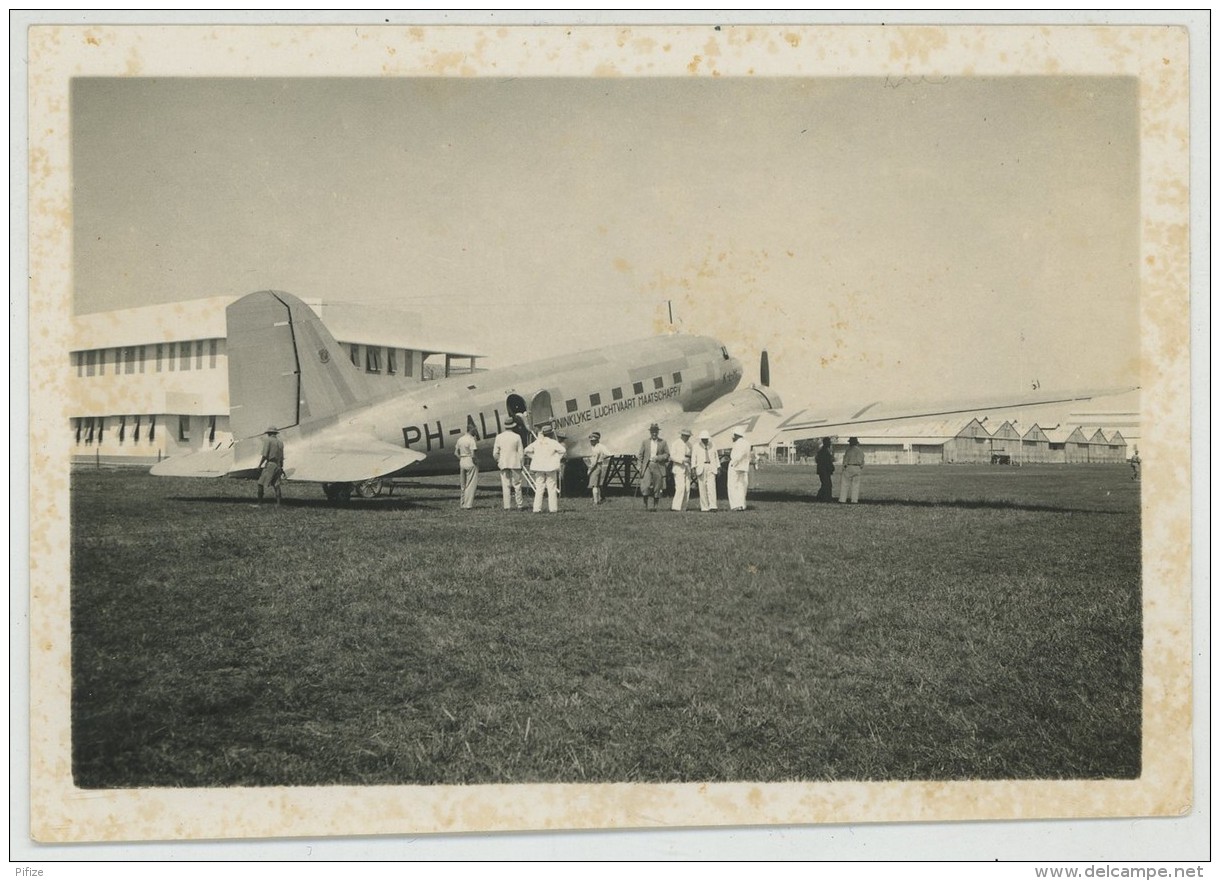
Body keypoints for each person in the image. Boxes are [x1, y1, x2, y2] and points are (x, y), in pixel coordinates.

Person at [524, 423, 566, 514]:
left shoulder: (537, 442)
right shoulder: (553, 442)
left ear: (543, 433)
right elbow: (563, 450)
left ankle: (536, 509)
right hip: (550, 467)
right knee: (552, 488)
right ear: (551, 433)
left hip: (539, 467)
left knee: (539, 488)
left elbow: (526, 450)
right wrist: (556, 458)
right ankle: (553, 509)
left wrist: (534, 457)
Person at [493, 417, 526, 510]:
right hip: (515, 463)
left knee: (506, 485)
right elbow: (521, 452)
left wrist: (499, 461)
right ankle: (519, 505)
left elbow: (495, 453)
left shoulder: (499, 437)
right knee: (517, 485)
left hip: (504, 463)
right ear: (513, 426)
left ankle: (507, 506)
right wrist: (521, 463)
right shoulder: (517, 437)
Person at [636, 422, 670, 511]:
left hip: (658, 466)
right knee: (645, 485)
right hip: (647, 465)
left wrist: (658, 458)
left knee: (657, 486)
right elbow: (640, 455)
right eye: (652, 431)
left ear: (658, 432)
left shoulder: (663, 442)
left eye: (655, 431)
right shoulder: (645, 442)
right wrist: (639, 465)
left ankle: (655, 506)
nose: (654, 433)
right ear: (650, 432)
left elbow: (667, 454)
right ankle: (645, 505)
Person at [256, 425, 285, 505]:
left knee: (260, 483)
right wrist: (281, 467)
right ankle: (278, 504)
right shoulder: (280, 442)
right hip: (278, 465)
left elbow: (265, 455)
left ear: (269, 433)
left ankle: (259, 503)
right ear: (275, 433)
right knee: (276, 484)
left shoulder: (268, 440)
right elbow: (282, 457)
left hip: (270, 464)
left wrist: (259, 465)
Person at [693, 430, 720, 512]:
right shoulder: (696, 446)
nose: (705, 440)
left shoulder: (713, 445)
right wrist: (693, 468)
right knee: (702, 487)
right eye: (703, 439)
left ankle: (713, 506)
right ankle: (704, 507)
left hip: (711, 466)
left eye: (706, 439)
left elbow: (716, 456)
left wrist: (718, 467)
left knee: (712, 487)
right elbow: (693, 458)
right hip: (701, 467)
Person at [455, 425, 480, 509]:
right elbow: (473, 455)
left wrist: (461, 459)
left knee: (463, 484)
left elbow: (456, 452)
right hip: (470, 460)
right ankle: (468, 505)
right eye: (474, 429)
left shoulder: (460, 439)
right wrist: (476, 462)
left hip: (462, 460)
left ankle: (462, 503)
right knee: (471, 484)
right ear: (471, 430)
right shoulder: (471, 440)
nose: (475, 431)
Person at [727, 427, 751, 511]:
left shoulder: (737, 443)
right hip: (744, 467)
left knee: (732, 486)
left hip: (735, 466)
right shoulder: (747, 443)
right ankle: (742, 504)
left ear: (736, 435)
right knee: (742, 486)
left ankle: (735, 505)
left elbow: (738, 456)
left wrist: (733, 463)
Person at [670, 428, 693, 511]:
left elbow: (691, 456)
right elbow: (672, 456)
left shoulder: (690, 445)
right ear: (682, 435)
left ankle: (684, 507)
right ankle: (676, 507)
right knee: (680, 488)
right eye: (686, 436)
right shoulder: (675, 443)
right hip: (679, 467)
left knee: (687, 488)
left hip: (688, 468)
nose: (687, 437)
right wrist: (682, 460)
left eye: (688, 436)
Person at [585, 431, 610, 505]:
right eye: (591, 440)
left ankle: (595, 501)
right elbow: (609, 454)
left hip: (595, 467)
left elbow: (593, 462)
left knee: (594, 485)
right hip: (600, 466)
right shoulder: (601, 446)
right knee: (597, 484)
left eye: (593, 440)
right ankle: (598, 499)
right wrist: (602, 457)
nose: (591, 442)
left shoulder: (596, 449)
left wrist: (589, 470)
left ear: (596, 440)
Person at [839, 436, 865, 504]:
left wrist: (844, 467)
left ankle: (842, 499)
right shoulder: (860, 451)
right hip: (857, 468)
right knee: (855, 485)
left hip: (849, 467)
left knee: (845, 484)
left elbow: (845, 460)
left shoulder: (848, 450)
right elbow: (862, 462)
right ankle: (854, 500)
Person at [814, 436, 836, 502]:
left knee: (825, 484)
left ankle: (821, 497)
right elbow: (827, 461)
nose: (830, 444)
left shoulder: (823, 450)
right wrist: (831, 467)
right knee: (827, 484)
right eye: (829, 442)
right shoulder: (824, 451)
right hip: (824, 470)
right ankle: (826, 498)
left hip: (822, 470)